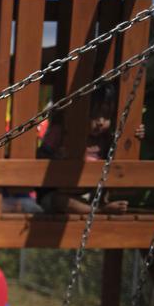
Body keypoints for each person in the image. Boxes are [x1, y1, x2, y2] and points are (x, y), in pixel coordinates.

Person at [39, 83, 145, 214]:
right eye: (94, 115)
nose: (100, 122)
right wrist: (56, 158)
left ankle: (97, 207)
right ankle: (99, 211)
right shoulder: (60, 132)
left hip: (91, 194)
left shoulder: (106, 139)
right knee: (61, 201)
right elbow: (41, 155)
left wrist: (135, 133)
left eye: (106, 116)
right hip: (60, 194)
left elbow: (126, 144)